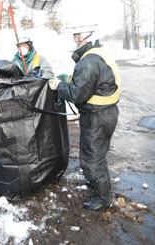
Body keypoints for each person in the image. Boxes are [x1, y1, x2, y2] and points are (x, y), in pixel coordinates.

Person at [48, 24, 120, 210]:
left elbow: (78, 95)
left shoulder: (89, 61)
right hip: (107, 113)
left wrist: (59, 86)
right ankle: (101, 183)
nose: (74, 40)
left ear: (85, 37)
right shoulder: (99, 54)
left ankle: (103, 199)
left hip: (96, 117)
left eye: (76, 36)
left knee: (90, 159)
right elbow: (91, 82)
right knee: (99, 154)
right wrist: (68, 79)